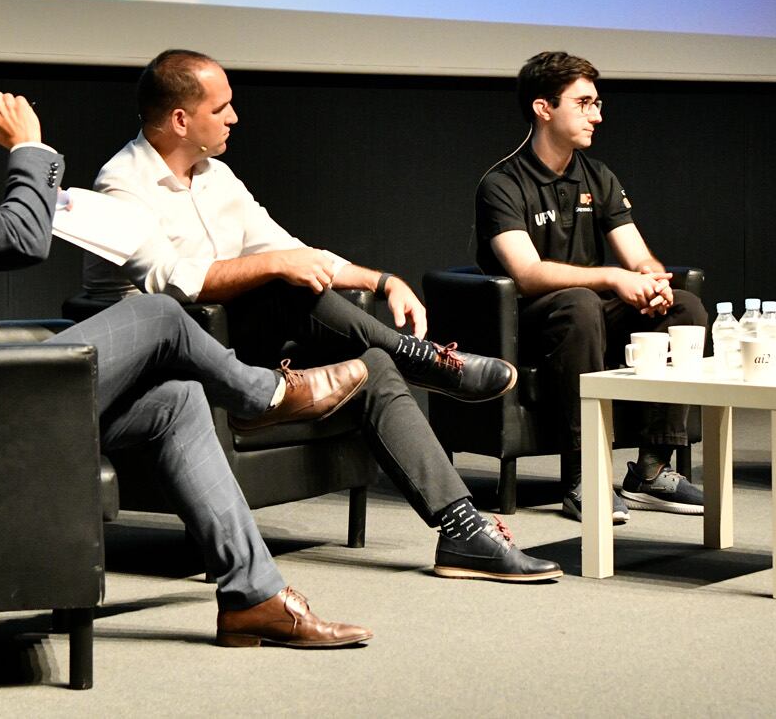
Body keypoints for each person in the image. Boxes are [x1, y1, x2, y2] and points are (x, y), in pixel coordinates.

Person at [0, 8, 373, 647]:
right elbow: (20, 237)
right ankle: (265, 395)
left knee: (177, 400)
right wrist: (30, 149)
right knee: (158, 313)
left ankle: (252, 597)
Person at [83, 50, 560, 583]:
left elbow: (292, 250)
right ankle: (421, 359)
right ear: (180, 120)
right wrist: (277, 266)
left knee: (373, 364)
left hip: (235, 344)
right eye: (221, 109)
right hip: (169, 365)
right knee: (280, 282)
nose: (234, 118)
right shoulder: (121, 184)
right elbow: (171, 281)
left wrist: (382, 281)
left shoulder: (217, 176)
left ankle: (463, 530)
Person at [474, 51, 707, 522]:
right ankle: (585, 477)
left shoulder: (597, 176)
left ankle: (651, 471)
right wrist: (613, 278)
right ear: (544, 108)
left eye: (596, 103)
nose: (596, 116)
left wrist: (652, 280)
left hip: (590, 313)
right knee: (580, 304)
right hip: (530, 321)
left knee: (684, 307)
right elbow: (527, 273)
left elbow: (637, 255)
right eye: (583, 103)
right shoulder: (502, 183)